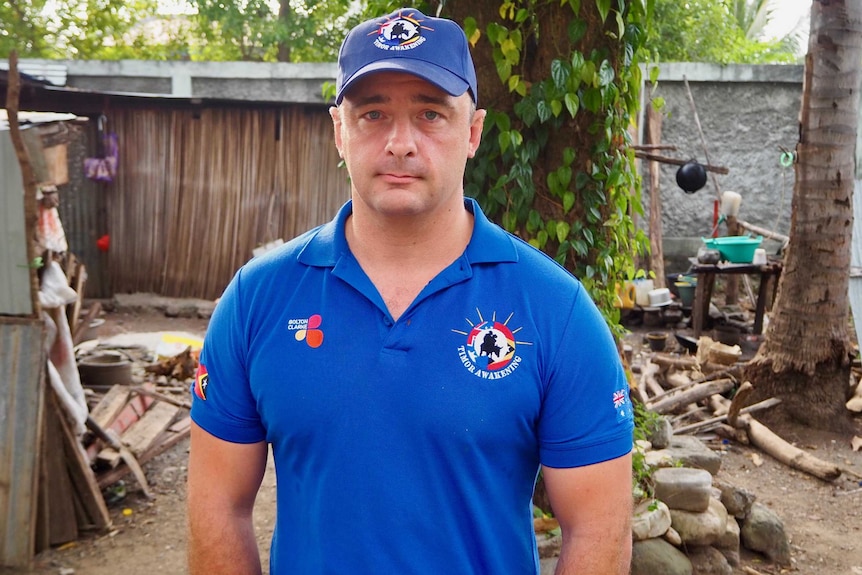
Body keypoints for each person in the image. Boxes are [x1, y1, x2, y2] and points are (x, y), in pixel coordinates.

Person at [187, 7, 633, 574]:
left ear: (472, 133)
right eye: (373, 114)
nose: (401, 143)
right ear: (339, 132)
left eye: (430, 113)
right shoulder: (257, 299)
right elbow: (217, 508)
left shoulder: (555, 310)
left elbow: (600, 528)